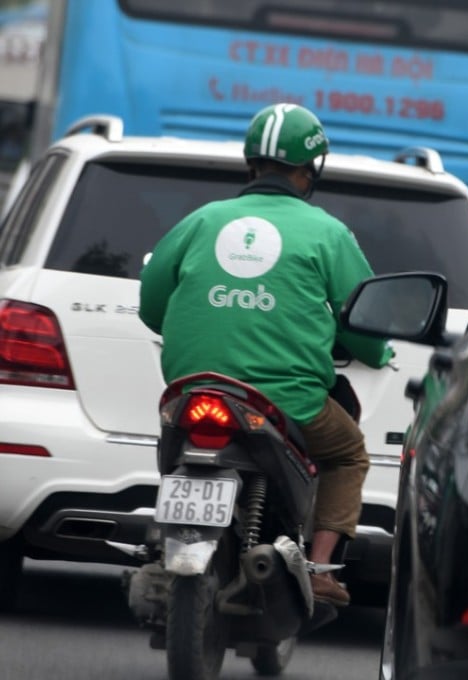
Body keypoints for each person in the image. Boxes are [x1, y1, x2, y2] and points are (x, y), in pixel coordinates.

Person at [138, 103, 393, 608]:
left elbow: (152, 306)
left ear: (249, 162)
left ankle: (166, 539)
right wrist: (378, 351)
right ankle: (319, 568)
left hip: (192, 392)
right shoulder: (327, 232)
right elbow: (366, 325)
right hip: (286, 403)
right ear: (311, 169)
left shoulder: (202, 220)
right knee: (347, 453)